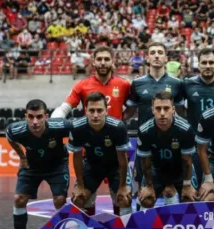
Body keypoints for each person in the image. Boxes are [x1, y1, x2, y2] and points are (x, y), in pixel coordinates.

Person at [51, 45, 131, 216]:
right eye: (99, 59)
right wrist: (53, 122)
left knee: (123, 198)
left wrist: (123, 119)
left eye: (106, 59)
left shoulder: (123, 84)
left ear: (112, 62)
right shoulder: (82, 86)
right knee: (81, 198)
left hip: (116, 148)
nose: (103, 63)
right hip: (92, 149)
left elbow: (135, 106)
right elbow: (65, 107)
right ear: (93, 62)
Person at [5, 99, 71, 229]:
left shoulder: (61, 125)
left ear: (46, 117)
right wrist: (22, 157)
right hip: (32, 166)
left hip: (57, 165)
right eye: (31, 117)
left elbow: (78, 134)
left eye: (39, 117)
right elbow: (9, 136)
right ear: (25, 116)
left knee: (60, 200)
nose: (35, 121)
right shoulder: (17, 129)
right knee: (19, 199)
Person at [124, 42, 185, 200]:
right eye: (153, 52)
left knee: (170, 189)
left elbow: (182, 113)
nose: (156, 55)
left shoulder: (177, 83)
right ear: (147, 58)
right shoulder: (137, 84)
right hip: (145, 141)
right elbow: (128, 113)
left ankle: (171, 223)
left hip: (171, 141)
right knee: (144, 188)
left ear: (166, 58)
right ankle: (143, 219)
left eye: (160, 52)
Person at [67, 92, 133, 218]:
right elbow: (77, 157)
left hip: (115, 167)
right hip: (92, 166)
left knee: (124, 199)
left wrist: (123, 186)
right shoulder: (77, 127)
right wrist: (80, 186)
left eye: (99, 110)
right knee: (79, 198)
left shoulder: (118, 127)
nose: (95, 115)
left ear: (106, 111)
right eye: (91, 110)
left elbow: (122, 158)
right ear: (86, 111)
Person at [137, 92, 197, 209]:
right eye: (158, 109)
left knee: (190, 199)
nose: (162, 113)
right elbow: (145, 162)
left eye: (166, 108)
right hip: (157, 170)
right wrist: (149, 186)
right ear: (152, 110)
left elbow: (187, 161)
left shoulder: (185, 129)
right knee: (146, 200)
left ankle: (185, 226)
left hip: (180, 171)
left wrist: (187, 185)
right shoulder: (144, 131)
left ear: (173, 109)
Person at [182, 48, 214, 185]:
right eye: (204, 62)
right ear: (198, 65)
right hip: (194, 142)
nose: (207, 66)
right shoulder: (187, 84)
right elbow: (178, 109)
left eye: (211, 62)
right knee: (195, 186)